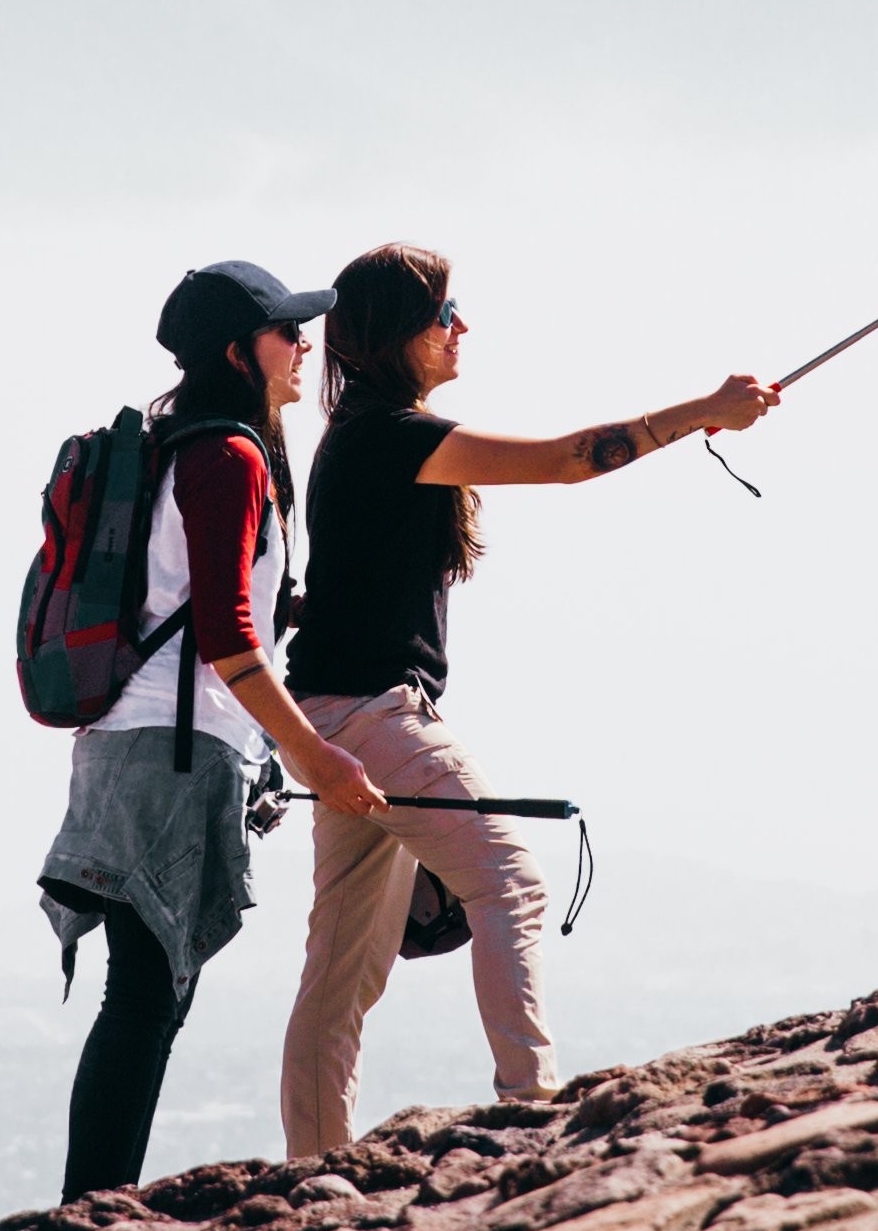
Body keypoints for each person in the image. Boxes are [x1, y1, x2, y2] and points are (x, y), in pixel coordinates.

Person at [277, 243, 777, 1155]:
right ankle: (529, 1110)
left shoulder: (362, 435)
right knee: (509, 885)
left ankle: (314, 1167)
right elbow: (566, 462)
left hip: (334, 716)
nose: (460, 327)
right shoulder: (392, 437)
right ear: (401, 334)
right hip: (374, 718)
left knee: (341, 975)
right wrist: (703, 411)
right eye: (445, 313)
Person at [35, 260, 387, 1199]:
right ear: (240, 352)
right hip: (173, 751)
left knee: (145, 994)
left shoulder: (176, 441)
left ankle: (94, 1201)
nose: (305, 345)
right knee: (148, 996)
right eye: (288, 332)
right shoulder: (225, 455)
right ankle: (91, 1210)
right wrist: (315, 753)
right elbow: (228, 634)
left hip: (129, 741)